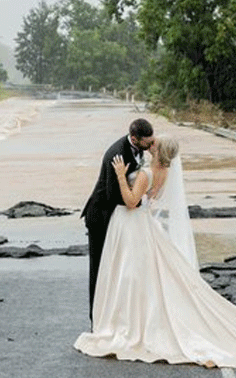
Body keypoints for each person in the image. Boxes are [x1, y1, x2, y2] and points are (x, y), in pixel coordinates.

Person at [74, 137, 236, 368]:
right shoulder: (165, 172)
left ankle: (129, 322)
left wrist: (120, 175)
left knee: (131, 275)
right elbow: (152, 196)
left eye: (154, 145)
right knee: (147, 276)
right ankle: (137, 317)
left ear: (159, 152)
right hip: (146, 225)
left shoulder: (147, 173)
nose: (151, 146)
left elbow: (131, 202)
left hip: (134, 225)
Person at [81, 118, 154, 322]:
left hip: (118, 217)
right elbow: (112, 195)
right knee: (99, 269)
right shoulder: (118, 154)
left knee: (117, 268)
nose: (151, 145)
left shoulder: (139, 148)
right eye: (148, 142)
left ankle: (116, 313)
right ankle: (96, 317)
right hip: (101, 216)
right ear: (134, 138)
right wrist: (138, 199)